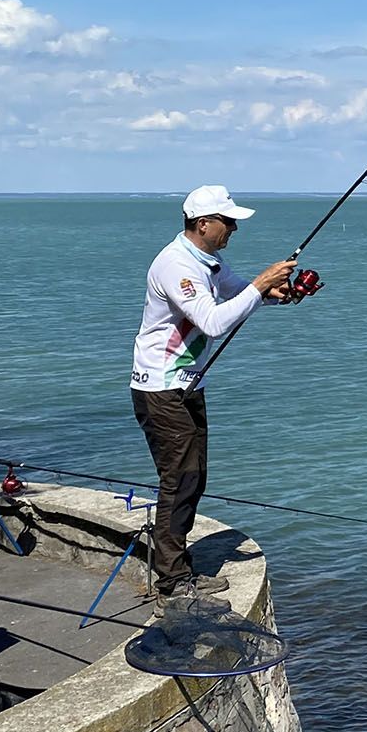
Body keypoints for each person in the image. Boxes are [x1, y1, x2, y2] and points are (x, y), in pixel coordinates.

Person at [129, 185, 296, 600]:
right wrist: (261, 285)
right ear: (203, 223)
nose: (235, 228)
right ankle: (172, 579)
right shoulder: (176, 266)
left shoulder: (208, 260)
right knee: (179, 479)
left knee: (193, 477)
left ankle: (175, 566)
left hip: (186, 385)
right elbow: (213, 322)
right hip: (162, 388)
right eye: (228, 221)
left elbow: (237, 295)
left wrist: (275, 295)